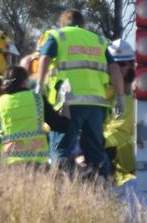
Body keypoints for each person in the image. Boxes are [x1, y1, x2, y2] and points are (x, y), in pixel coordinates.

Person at [36, 9, 125, 179]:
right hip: (95, 105)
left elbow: (44, 57)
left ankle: (58, 189)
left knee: (61, 148)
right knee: (95, 151)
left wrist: (39, 85)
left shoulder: (58, 35)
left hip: (68, 102)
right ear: (83, 24)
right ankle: (103, 186)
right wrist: (120, 97)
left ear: (62, 24)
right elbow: (114, 68)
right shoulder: (97, 40)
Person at [0, 65, 49, 166]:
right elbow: (60, 124)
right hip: (37, 161)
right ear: (24, 81)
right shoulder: (37, 99)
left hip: (9, 162)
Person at [103, 39, 137, 186]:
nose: (116, 68)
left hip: (125, 175)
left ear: (131, 65)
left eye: (121, 64)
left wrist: (96, 142)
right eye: (112, 64)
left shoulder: (128, 101)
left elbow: (119, 133)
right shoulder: (102, 93)